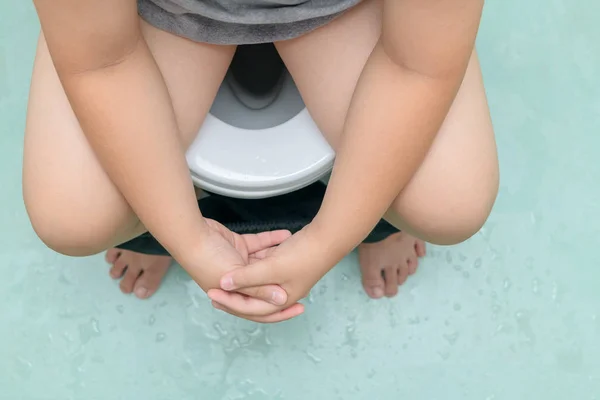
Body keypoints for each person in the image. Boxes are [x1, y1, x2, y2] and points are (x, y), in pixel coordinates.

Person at [24, 0, 498, 323]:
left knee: (447, 201)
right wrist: (182, 235)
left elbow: (417, 64)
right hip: (160, 13)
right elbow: (102, 62)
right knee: (76, 215)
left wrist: (334, 235)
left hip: (348, 10)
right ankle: (152, 232)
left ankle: (383, 224)